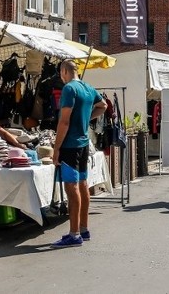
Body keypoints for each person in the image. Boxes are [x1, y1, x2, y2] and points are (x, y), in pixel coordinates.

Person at [51, 60, 107, 247]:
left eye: (61, 73)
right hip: (83, 144)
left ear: (64, 71)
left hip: (70, 145)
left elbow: (64, 122)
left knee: (71, 187)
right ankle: (83, 228)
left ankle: (74, 234)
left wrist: (56, 148)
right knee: (83, 184)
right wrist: (85, 118)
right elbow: (104, 105)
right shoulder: (88, 87)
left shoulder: (69, 89)